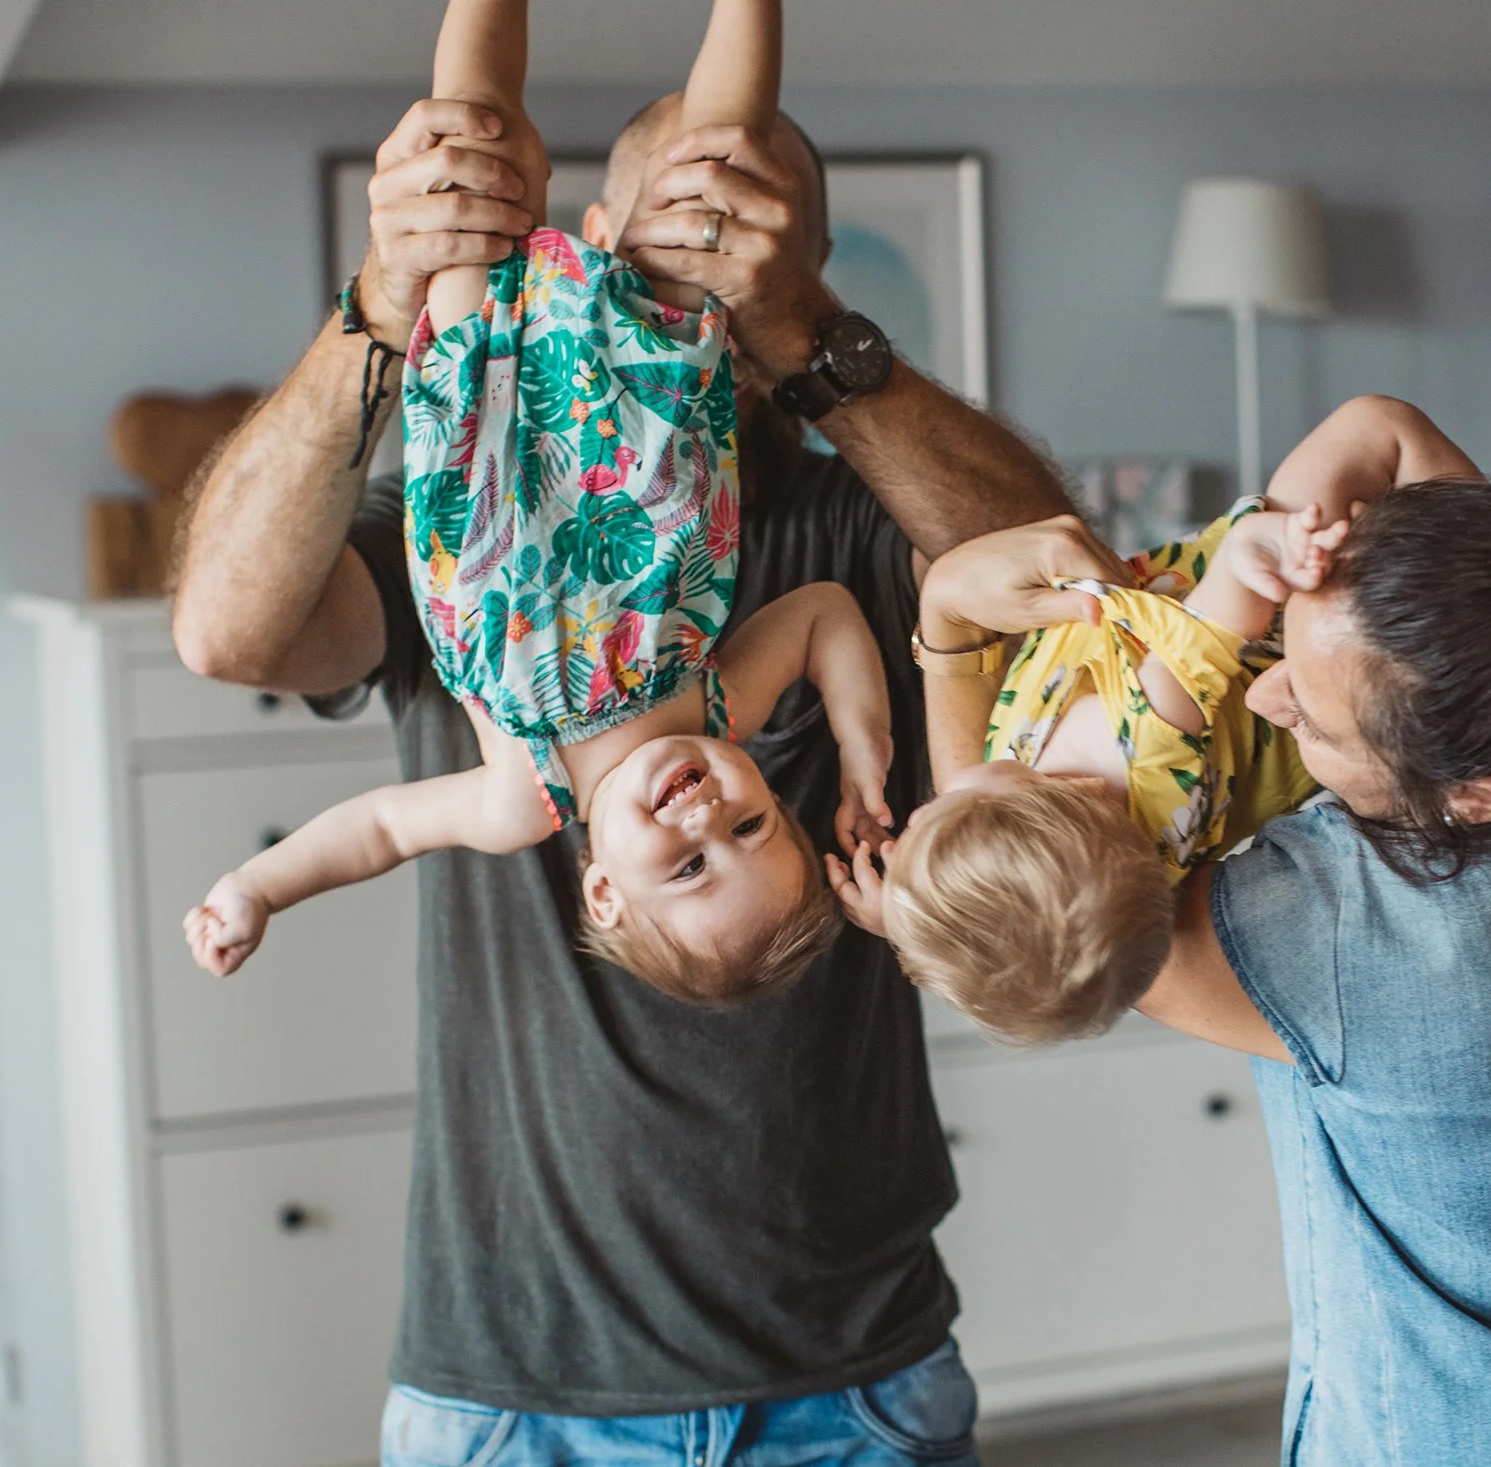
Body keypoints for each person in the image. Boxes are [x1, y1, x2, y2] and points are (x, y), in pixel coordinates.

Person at [171, 69, 1069, 1467]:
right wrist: (384, 305)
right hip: (519, 1388)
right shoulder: (474, 534)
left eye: (753, 231)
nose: (703, 257)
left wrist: (806, 332)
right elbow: (226, 632)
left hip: (852, 1374)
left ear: (801, 266)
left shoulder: (860, 527)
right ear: (596, 234)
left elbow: (1067, 566)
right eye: (676, 219)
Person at [920, 395, 1491, 1465]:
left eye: (1310, 712)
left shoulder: (1345, 932)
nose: (1264, 704)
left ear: (1476, 796)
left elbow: (1026, 901)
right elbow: (1392, 442)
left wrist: (948, 622)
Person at [182, 0, 896, 1005]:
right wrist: (866, 760)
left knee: (472, 139)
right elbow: (827, 616)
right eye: (755, 826)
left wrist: (257, 889)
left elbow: (380, 828)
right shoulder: (722, 707)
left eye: (689, 866)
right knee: (716, 175)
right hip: (654, 411)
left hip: (486, 413)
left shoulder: (523, 798)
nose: (707, 819)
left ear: (602, 890)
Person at [831, 402, 1432, 1044]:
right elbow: (1218, 626)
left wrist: (912, 911)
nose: (917, 812)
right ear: (1034, 805)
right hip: (1277, 608)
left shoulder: (1084, 856)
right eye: (935, 816)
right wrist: (1253, 553)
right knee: (1367, 434)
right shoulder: (1145, 745)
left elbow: (1024, 925)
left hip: (1213, 658)